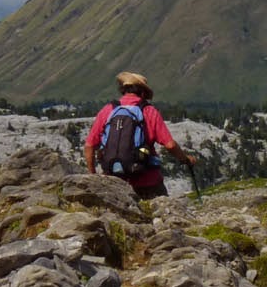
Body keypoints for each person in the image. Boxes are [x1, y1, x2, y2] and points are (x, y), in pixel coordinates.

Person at [83, 71, 196, 200]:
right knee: (162, 210)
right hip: (147, 181)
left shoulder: (108, 109)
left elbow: (89, 145)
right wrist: (185, 159)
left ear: (123, 90)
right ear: (143, 92)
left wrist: (93, 176)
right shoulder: (149, 111)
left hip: (114, 182)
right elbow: (170, 145)